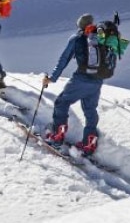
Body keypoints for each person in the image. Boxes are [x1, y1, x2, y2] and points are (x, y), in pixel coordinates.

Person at [41, 13, 103, 156]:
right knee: (90, 109)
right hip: (97, 81)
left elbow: (64, 60)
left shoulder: (76, 39)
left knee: (62, 102)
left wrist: (52, 78)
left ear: (80, 26)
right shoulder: (100, 38)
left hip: (81, 79)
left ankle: (57, 135)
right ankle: (89, 143)